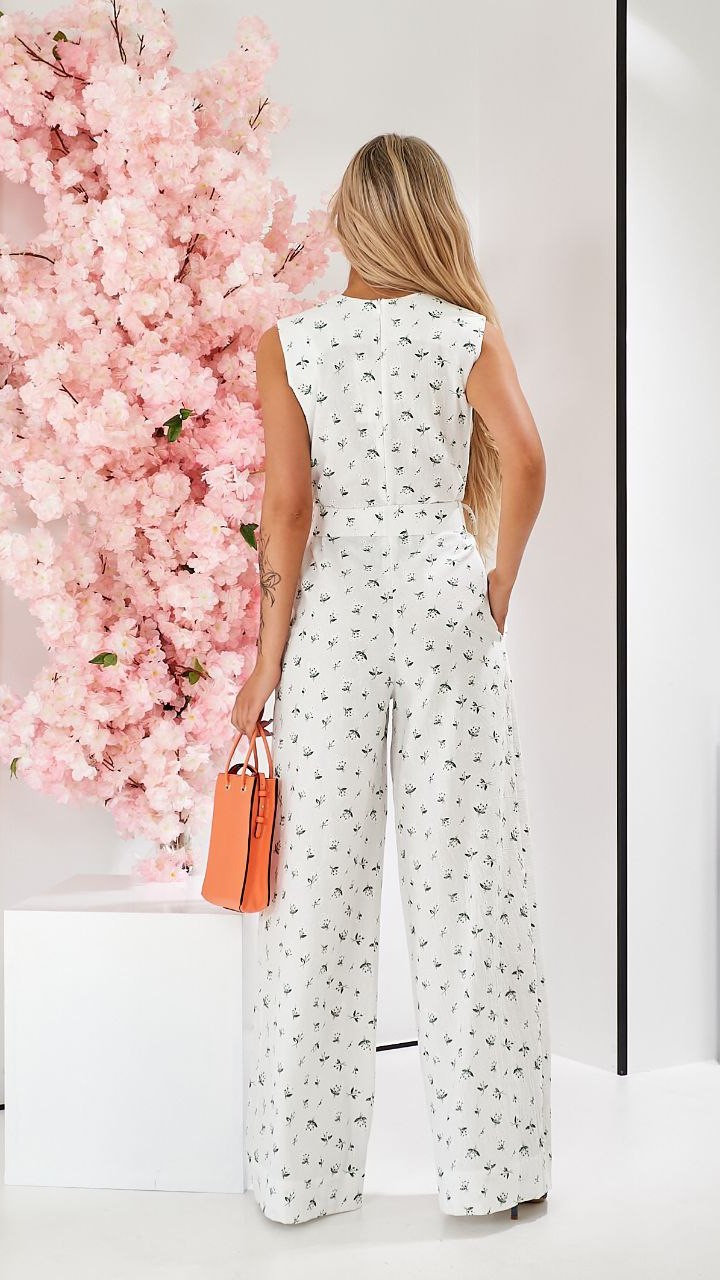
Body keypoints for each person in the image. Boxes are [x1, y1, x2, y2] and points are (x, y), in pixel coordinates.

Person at [233, 132, 551, 1226]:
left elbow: (287, 510)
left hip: (332, 624)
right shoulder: (464, 330)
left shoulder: (291, 343)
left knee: (317, 893)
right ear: (432, 215)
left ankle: (301, 1179)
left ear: (347, 219)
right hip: (444, 606)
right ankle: (496, 1171)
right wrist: (497, 580)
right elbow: (527, 457)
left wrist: (264, 665)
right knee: (469, 884)